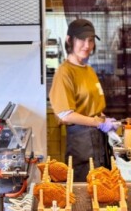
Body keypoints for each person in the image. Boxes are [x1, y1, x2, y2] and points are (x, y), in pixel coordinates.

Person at [49, 18, 118, 181]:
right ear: (69, 40)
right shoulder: (64, 72)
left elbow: (92, 106)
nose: (87, 45)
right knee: (85, 194)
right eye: (82, 39)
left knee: (102, 188)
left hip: (99, 141)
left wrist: (105, 120)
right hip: (81, 144)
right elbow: (65, 115)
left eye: (91, 40)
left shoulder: (89, 70)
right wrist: (98, 123)